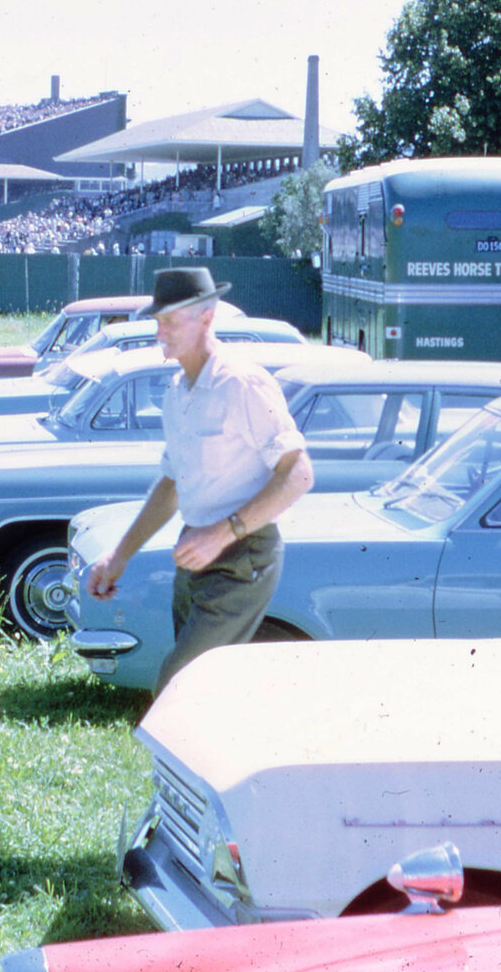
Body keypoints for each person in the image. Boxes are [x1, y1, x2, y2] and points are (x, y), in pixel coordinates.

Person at [83, 268, 312, 693]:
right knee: (210, 695)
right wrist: (118, 557)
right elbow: (171, 485)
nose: (160, 332)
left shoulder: (242, 383)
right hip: (195, 554)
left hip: (243, 556)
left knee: (178, 688)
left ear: (207, 317)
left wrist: (223, 534)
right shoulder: (177, 391)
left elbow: (298, 473)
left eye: (171, 320)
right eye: (157, 321)